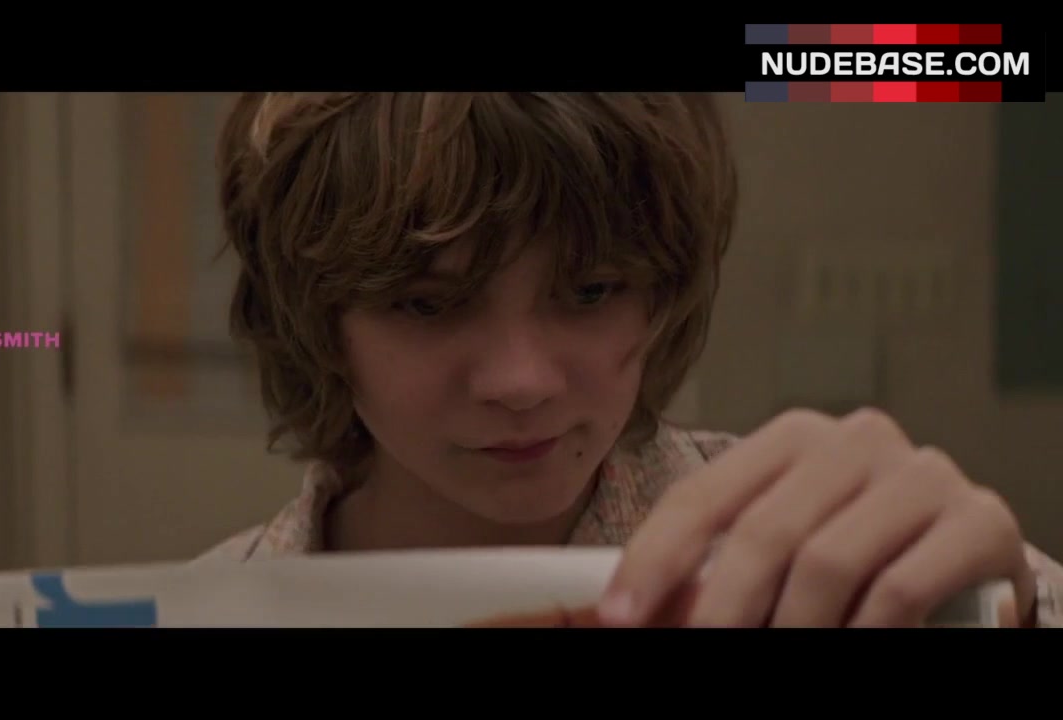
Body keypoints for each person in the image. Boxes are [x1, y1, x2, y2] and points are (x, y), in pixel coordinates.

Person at [200, 92, 1062, 628]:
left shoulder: (817, 555)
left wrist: (992, 612)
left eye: (590, 291)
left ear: (662, 291)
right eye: (426, 305)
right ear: (315, 317)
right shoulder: (204, 610)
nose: (522, 381)